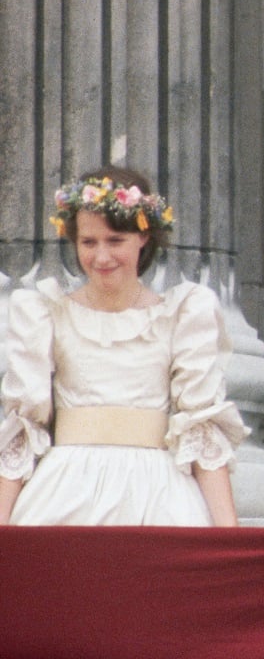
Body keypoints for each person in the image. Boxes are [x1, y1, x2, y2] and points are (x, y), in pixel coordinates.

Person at [0, 167, 248, 526]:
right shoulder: (45, 312)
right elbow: (22, 431)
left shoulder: (181, 314)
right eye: (89, 242)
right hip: (65, 494)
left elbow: (201, 428)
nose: (102, 257)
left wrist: (231, 541)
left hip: (160, 497)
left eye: (115, 240)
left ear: (143, 237)